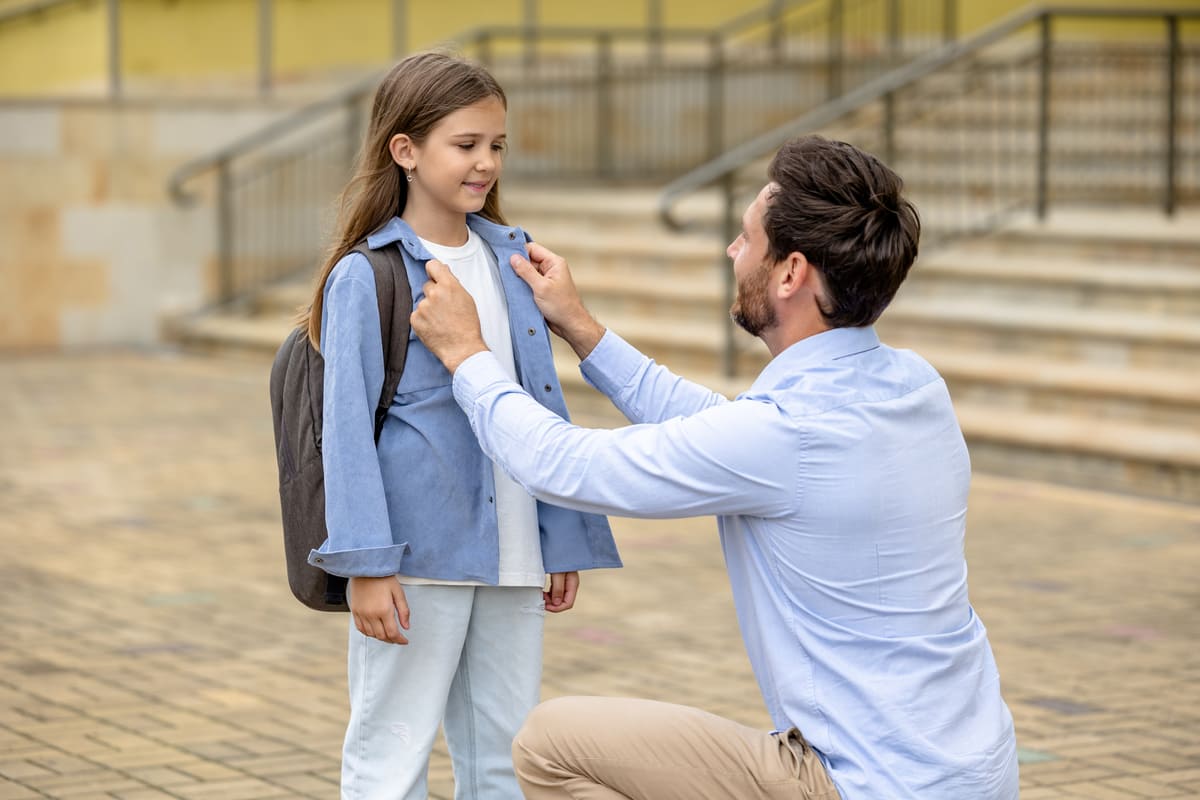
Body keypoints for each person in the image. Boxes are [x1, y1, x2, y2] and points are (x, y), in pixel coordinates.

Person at [409, 134, 1020, 799]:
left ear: (790, 273)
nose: (733, 251)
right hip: (975, 771)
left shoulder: (785, 436)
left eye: (745, 238)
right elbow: (725, 427)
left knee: (551, 743)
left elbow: (563, 464)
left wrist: (466, 355)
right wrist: (583, 329)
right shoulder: (914, 387)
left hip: (864, 786)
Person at [296, 51, 621, 800]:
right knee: (391, 753)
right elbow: (344, 432)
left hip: (513, 556)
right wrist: (368, 566)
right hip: (415, 558)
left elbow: (538, 404)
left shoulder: (515, 260)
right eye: (466, 144)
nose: (486, 163)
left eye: (497, 146)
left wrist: (557, 533)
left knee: (508, 758)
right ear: (404, 151)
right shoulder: (367, 273)